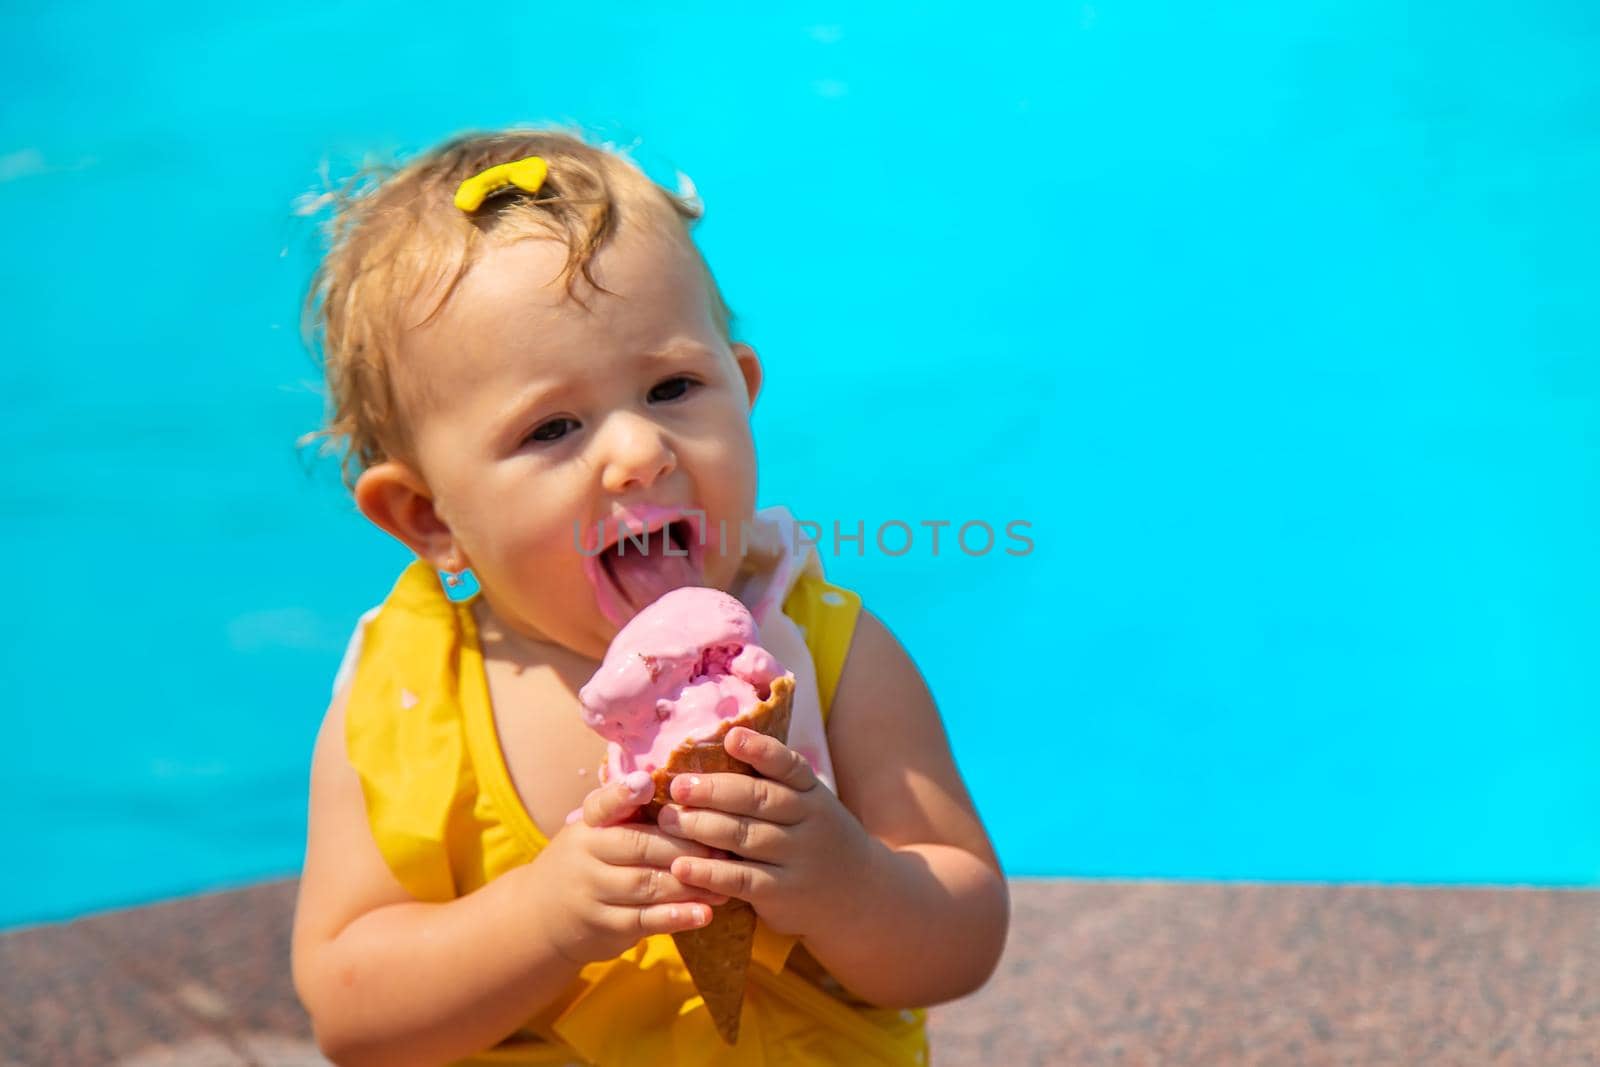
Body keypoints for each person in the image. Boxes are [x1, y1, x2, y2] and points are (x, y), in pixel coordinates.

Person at [289, 126, 1009, 1067]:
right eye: (553, 427)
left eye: (673, 387)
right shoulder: (406, 704)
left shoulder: (827, 651)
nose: (639, 453)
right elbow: (355, 1019)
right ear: (429, 517)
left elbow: (962, 938)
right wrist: (544, 919)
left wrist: (845, 879)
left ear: (742, 391)